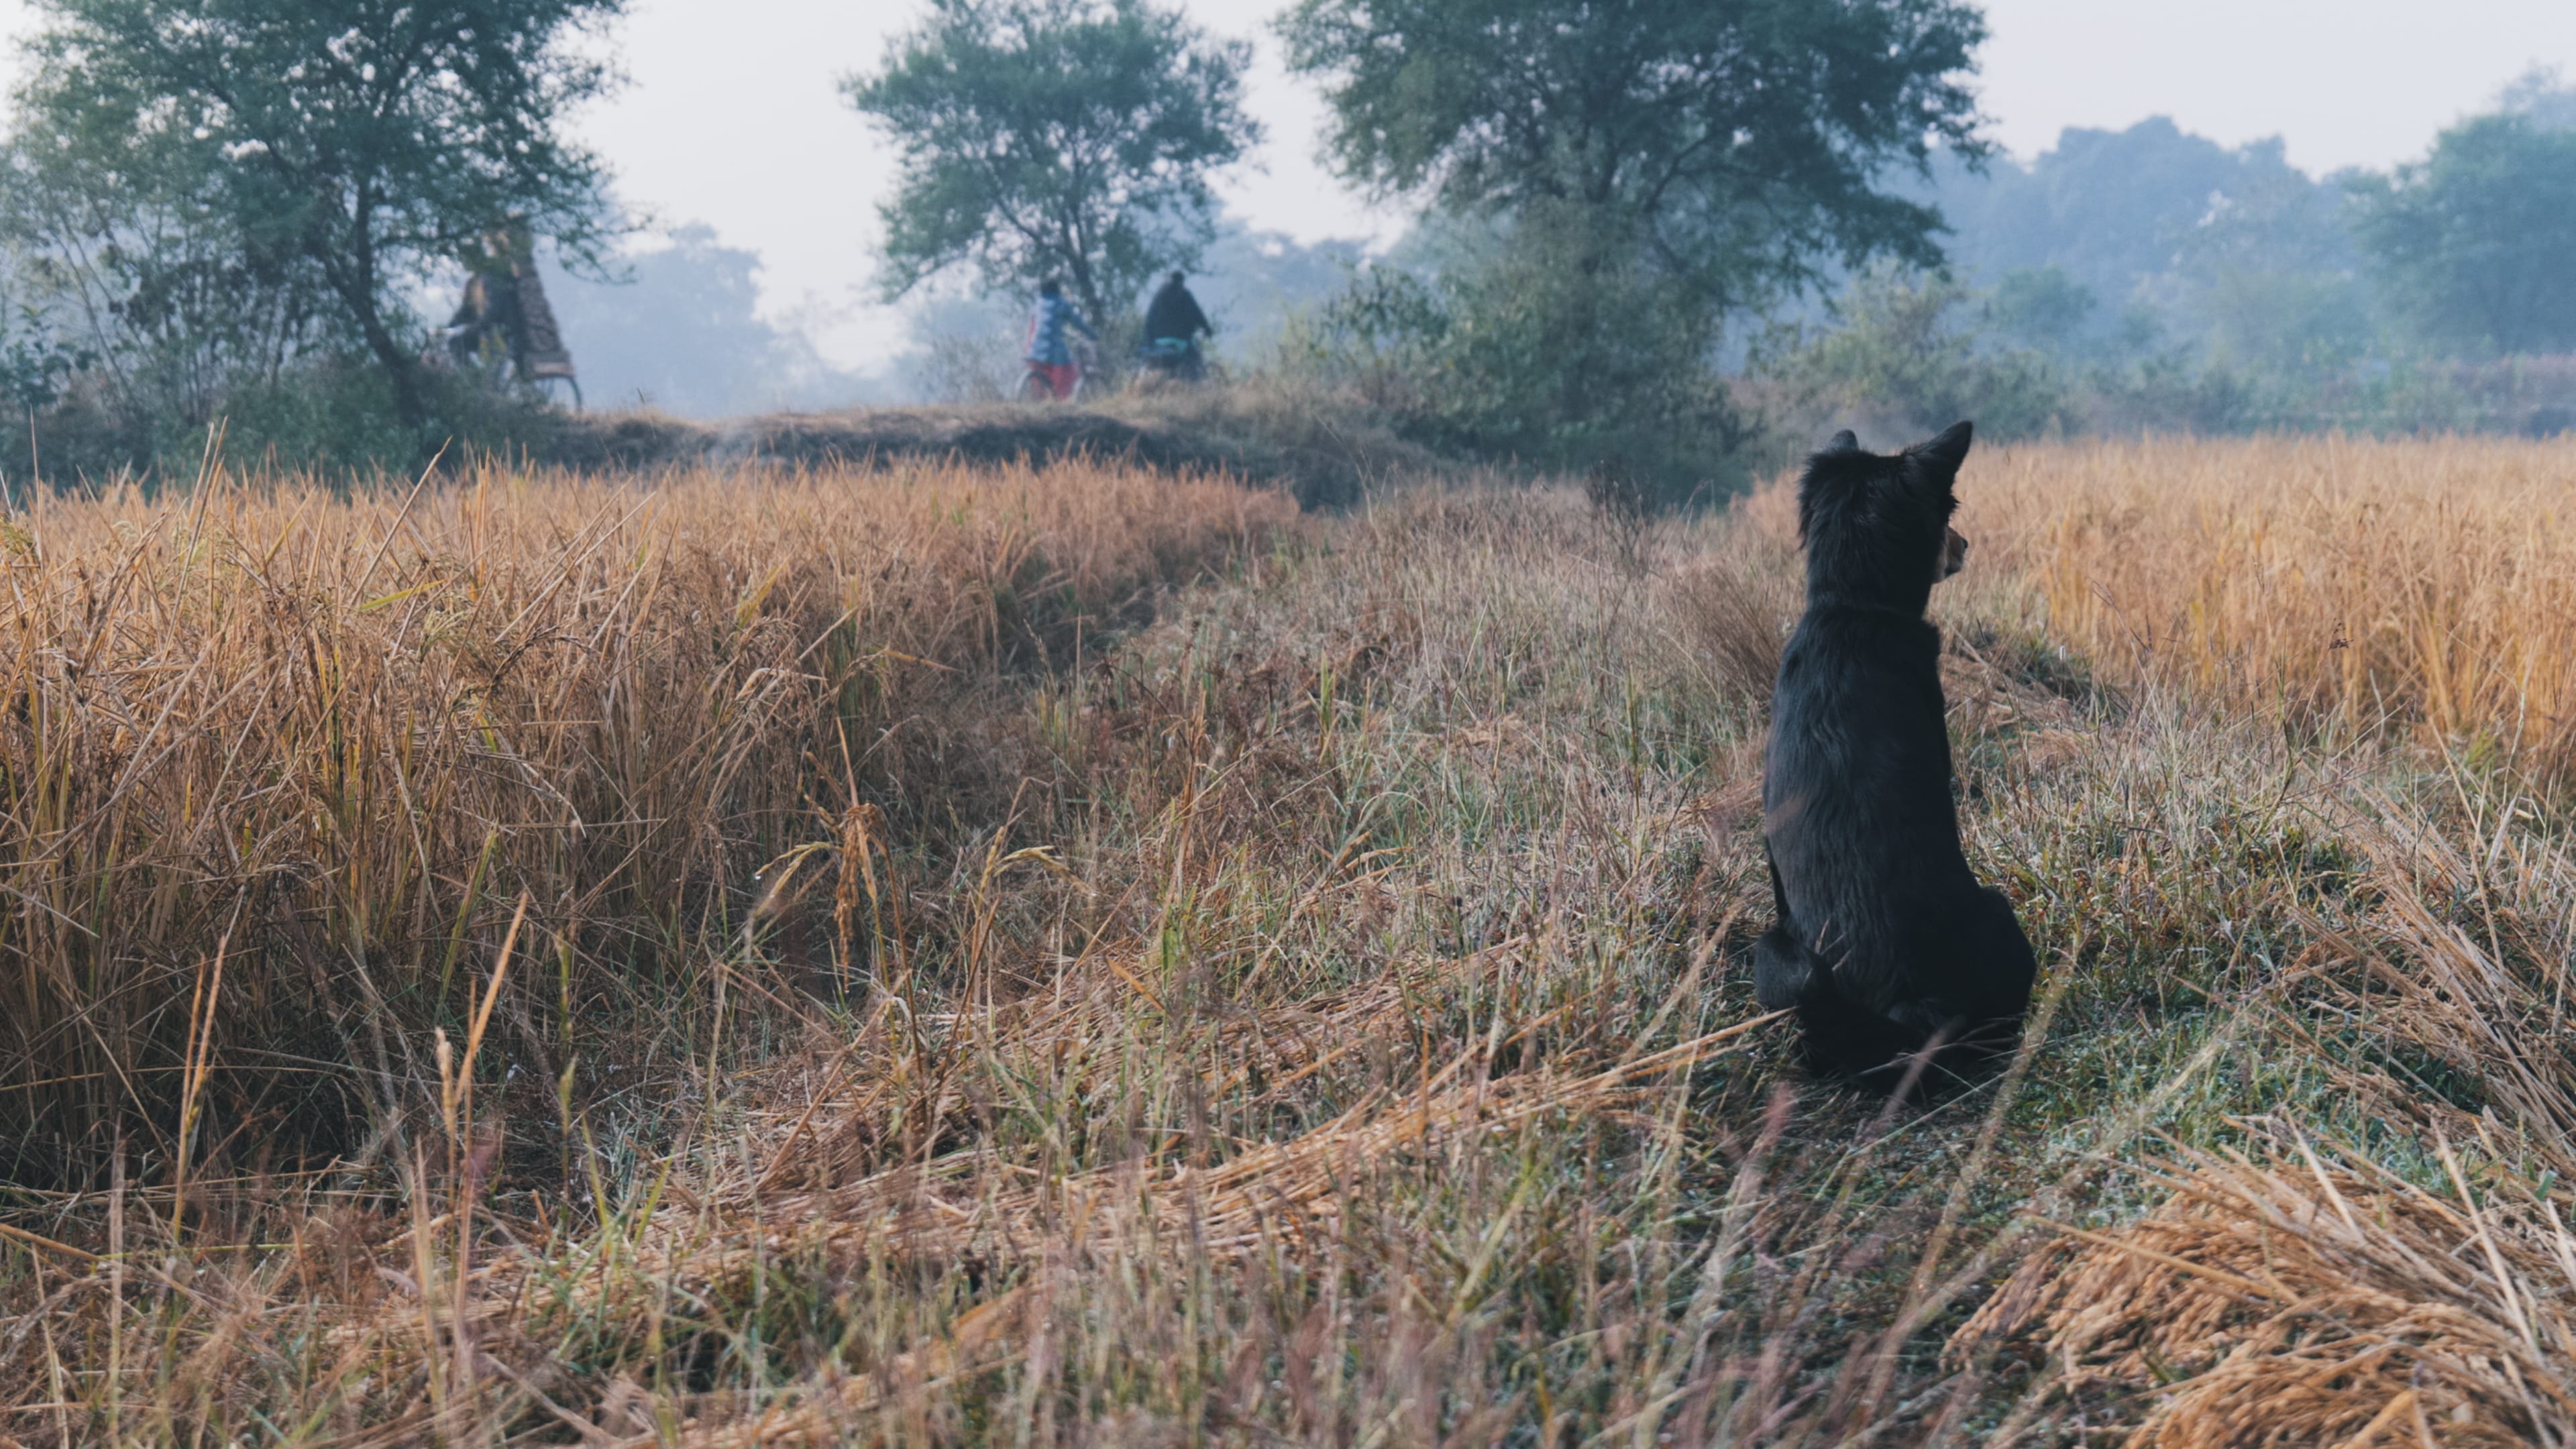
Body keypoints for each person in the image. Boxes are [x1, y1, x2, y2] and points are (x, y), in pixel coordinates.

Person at [1023, 278, 1098, 400]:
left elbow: (1033, 327)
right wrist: (1093, 335)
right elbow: (1078, 322)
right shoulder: (1062, 303)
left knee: (1040, 380)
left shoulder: (1037, 304)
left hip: (1034, 349)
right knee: (1069, 373)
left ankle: (1040, 400)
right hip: (1053, 349)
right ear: (1057, 290)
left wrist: (1027, 349)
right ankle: (1062, 402)